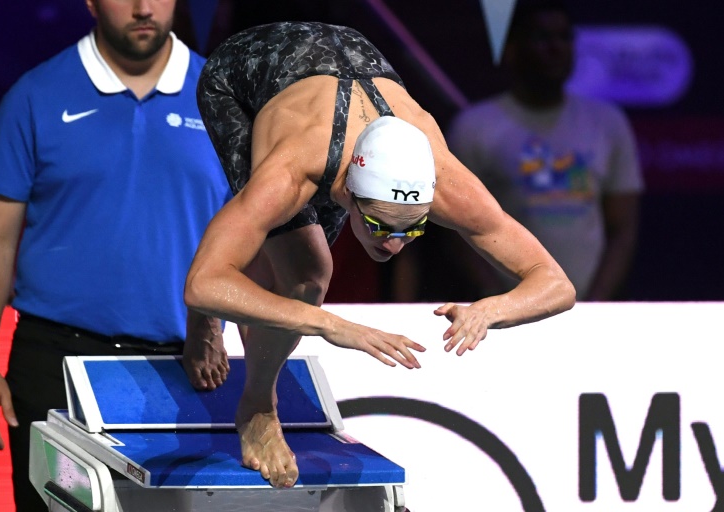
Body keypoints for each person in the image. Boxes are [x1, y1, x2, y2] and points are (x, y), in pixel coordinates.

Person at [182, 21, 576, 490]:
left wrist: (492, 309)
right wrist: (329, 324)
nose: (392, 244)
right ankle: (257, 408)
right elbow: (202, 283)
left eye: (412, 228)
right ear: (346, 191)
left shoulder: (449, 184)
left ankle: (235, 251)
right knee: (308, 275)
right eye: (377, 225)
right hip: (246, 74)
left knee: (282, 253)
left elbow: (556, 284)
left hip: (352, 57)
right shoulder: (298, 168)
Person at [0, 0, 232, 509]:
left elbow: (260, 238)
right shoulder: (35, 96)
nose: (141, 8)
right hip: (52, 368)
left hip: (184, 370)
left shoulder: (222, 99)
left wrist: (224, 330)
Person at [445, 0, 644, 301]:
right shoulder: (474, 127)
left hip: (589, 307)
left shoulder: (607, 122)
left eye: (564, 37)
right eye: (542, 38)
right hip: (503, 310)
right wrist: (496, 299)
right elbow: (455, 227)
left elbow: (622, 228)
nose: (556, 48)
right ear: (512, 49)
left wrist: (596, 302)